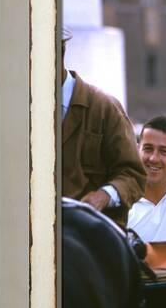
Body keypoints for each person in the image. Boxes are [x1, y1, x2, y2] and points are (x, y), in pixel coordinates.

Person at [61, 28, 146, 228]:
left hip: (92, 240)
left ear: (60, 52)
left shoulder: (105, 108)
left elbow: (134, 175)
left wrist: (104, 196)